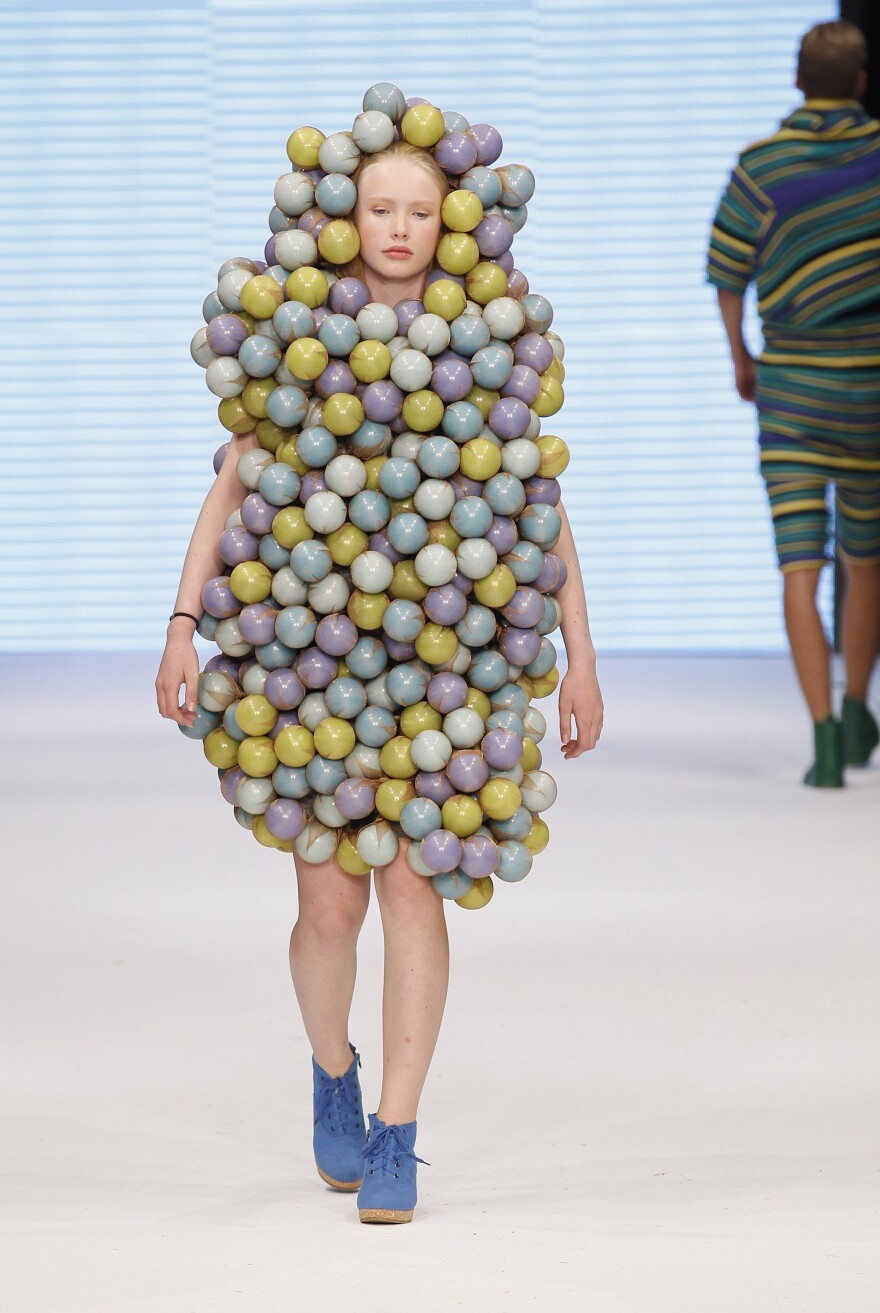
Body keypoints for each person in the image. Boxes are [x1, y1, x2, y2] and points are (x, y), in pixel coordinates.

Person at [155, 139, 604, 1223]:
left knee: (413, 885)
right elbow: (230, 491)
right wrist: (180, 624)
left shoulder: (484, 348)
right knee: (325, 902)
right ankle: (333, 1069)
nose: (400, 226)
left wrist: (578, 657)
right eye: (380, 207)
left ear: (452, 222)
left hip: (448, 669)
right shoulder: (294, 338)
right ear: (345, 218)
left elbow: (536, 510)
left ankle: (397, 1131)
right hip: (307, 660)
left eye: (418, 208)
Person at [707, 19, 880, 787]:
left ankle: (822, 741)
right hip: (873, 389)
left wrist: (742, 355)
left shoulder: (760, 167)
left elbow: (725, 270)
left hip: (792, 394)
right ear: (863, 80)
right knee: (866, 562)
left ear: (796, 78)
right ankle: (854, 706)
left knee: (800, 568)